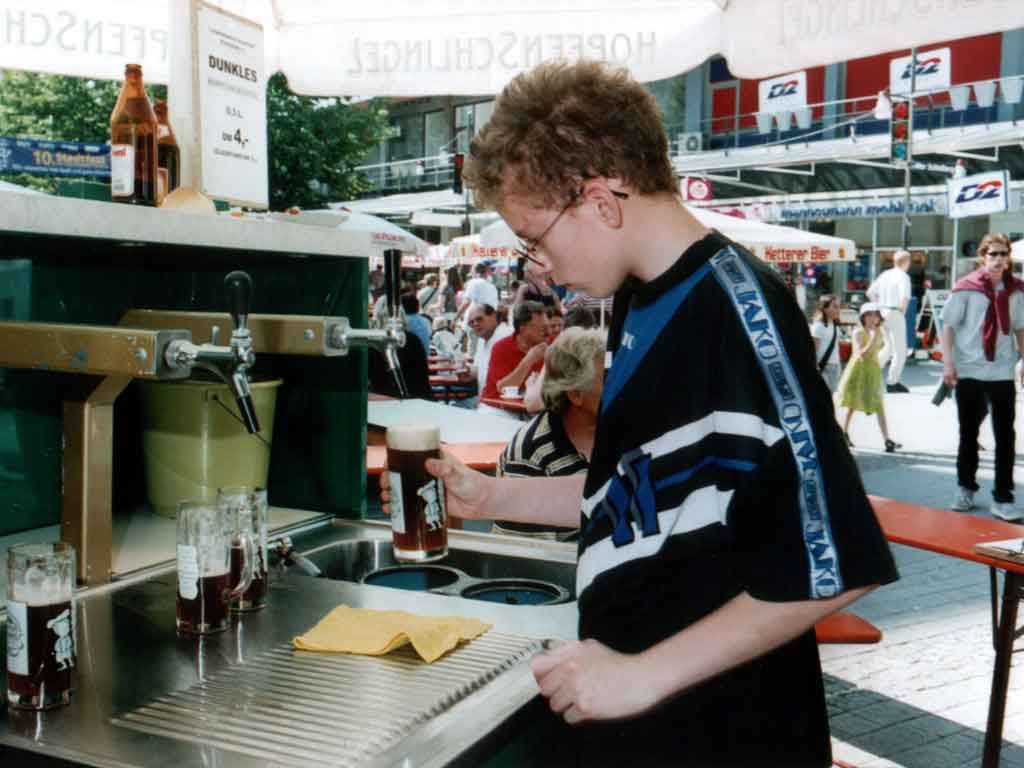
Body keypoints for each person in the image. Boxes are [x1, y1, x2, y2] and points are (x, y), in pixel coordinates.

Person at [382, 60, 896, 767]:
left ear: (600, 200)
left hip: (726, 730)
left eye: (536, 238)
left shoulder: (741, 311)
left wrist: (642, 675)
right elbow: (640, 488)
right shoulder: (638, 299)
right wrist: (494, 496)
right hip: (648, 720)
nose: (538, 266)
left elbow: (840, 557)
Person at [942, 233, 1024, 520]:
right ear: (983, 257)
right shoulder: (966, 287)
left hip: (1001, 371)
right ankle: (965, 488)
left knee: (1005, 436)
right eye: (993, 254)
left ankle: (1003, 498)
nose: (999, 259)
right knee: (969, 434)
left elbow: (1020, 328)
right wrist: (948, 364)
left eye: (1003, 254)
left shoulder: (1016, 290)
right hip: (969, 370)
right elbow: (948, 326)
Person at [494, 327, 605, 540]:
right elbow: (528, 554)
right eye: (609, 379)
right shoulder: (529, 455)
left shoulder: (619, 432)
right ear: (575, 394)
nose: (620, 384)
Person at [835, 303, 900, 452]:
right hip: (858, 372)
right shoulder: (858, 332)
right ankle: (844, 433)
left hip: (872, 371)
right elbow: (861, 355)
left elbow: (881, 349)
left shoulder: (879, 331)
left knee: (878, 405)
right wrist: (872, 338)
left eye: (875, 315)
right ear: (863, 317)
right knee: (852, 404)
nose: (872, 318)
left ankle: (887, 440)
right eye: (869, 315)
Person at [480, 300, 547, 407]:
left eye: (546, 326)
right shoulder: (502, 347)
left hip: (528, 409)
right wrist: (529, 360)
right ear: (523, 329)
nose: (546, 332)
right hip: (497, 408)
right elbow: (503, 388)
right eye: (541, 328)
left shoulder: (549, 347)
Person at [867, 250, 912, 393]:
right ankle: (893, 382)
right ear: (907, 262)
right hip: (895, 312)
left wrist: (878, 305)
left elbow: (870, 292)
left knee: (889, 347)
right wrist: (901, 313)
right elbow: (905, 298)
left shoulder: (885, 274)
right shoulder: (903, 276)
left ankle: (870, 373)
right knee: (900, 350)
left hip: (882, 312)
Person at [460, 301, 512, 396]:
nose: (475, 324)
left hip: (502, 400)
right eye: (471, 323)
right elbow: (480, 370)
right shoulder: (482, 339)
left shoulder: (506, 336)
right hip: (485, 399)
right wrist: (468, 372)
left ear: (493, 316)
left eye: (479, 319)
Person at [811, 294, 842, 391]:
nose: (838, 310)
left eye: (839, 307)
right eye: (835, 306)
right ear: (824, 308)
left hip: (836, 365)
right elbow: (813, 350)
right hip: (824, 366)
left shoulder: (835, 325)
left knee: (832, 394)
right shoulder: (818, 326)